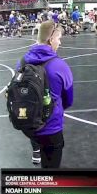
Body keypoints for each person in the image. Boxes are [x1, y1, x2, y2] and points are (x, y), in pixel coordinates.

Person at [16, 20, 74, 168]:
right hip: (50, 128)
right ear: (51, 39)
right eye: (59, 38)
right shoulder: (59, 66)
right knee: (51, 169)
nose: (60, 43)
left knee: (36, 132)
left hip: (28, 125)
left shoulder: (22, 61)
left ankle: (36, 150)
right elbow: (68, 100)